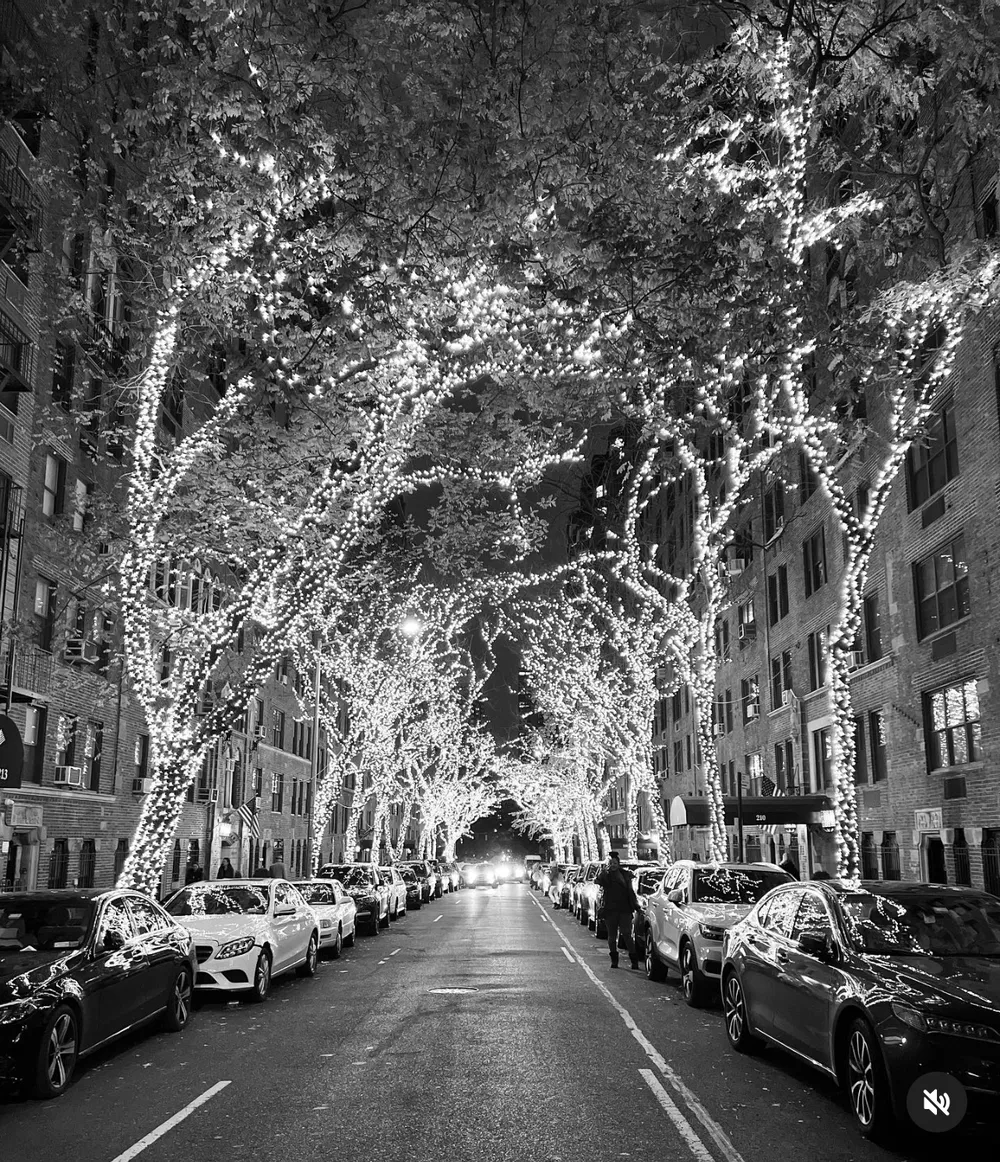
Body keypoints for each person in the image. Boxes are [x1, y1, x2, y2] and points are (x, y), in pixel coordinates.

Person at [595, 851, 640, 969]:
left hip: (624, 909)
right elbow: (597, 881)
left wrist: (636, 906)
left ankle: (634, 960)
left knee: (627, 934)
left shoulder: (625, 875)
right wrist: (604, 871)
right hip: (610, 910)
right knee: (611, 935)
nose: (613, 865)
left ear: (619, 863)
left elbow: (631, 892)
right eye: (611, 863)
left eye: (615, 863)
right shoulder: (606, 875)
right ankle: (614, 960)